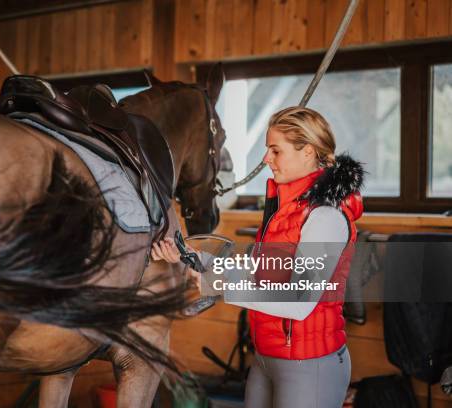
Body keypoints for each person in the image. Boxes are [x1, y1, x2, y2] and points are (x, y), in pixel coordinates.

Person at [152, 106, 364, 408]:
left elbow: (299, 302)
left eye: (275, 150)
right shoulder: (282, 210)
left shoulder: (325, 216)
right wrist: (191, 258)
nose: (266, 159)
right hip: (265, 358)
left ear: (308, 152)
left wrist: (216, 284)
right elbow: (258, 273)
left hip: (309, 364)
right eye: (268, 150)